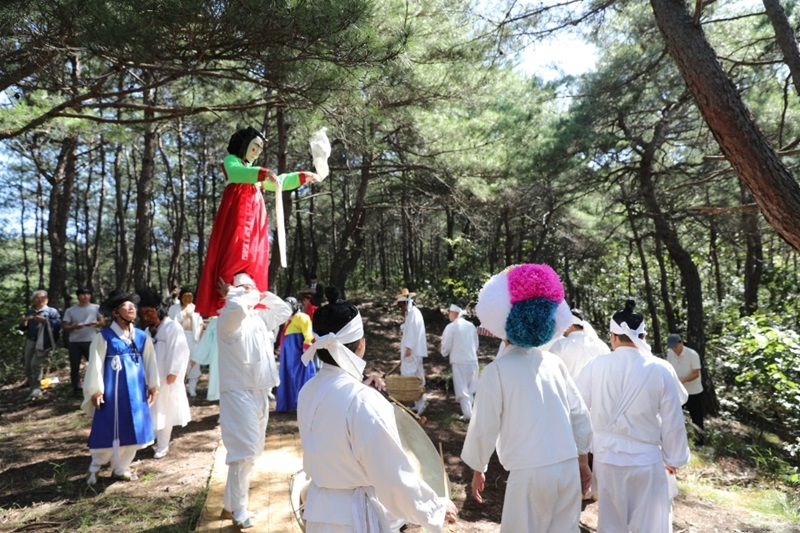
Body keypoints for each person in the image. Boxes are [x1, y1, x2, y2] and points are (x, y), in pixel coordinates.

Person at [297, 299, 458, 532]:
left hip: (318, 513)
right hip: (355, 519)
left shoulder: (308, 391)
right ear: (360, 345)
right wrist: (434, 507)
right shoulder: (361, 399)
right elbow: (394, 477)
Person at [461, 264, 593, 532]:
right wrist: (582, 461)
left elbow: (484, 426)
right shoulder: (554, 363)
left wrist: (478, 468)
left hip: (529, 473)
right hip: (566, 466)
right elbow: (579, 415)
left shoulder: (497, 371)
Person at [575, 300, 690, 533]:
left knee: (611, 522)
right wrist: (674, 459)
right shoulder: (660, 368)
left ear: (612, 337)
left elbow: (576, 410)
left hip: (606, 458)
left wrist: (580, 454)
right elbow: (673, 421)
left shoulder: (596, 365)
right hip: (646, 460)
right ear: (644, 336)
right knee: (649, 525)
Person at [195, 127, 318, 316]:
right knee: (234, 253)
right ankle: (225, 294)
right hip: (237, 217)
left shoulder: (256, 176)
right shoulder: (233, 162)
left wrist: (301, 176)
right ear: (244, 145)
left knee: (254, 256)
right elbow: (236, 173)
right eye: (255, 146)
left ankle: (249, 294)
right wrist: (260, 173)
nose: (258, 152)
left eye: (260, 149)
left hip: (255, 223)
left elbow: (278, 181)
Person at [216, 272, 291, 529]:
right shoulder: (227, 319)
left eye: (251, 287)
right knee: (244, 451)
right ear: (233, 292)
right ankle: (239, 509)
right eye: (242, 288)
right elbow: (235, 308)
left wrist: (261, 292)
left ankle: (229, 504)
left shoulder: (259, 319)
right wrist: (236, 293)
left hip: (261, 391)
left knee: (252, 452)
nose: (248, 291)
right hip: (237, 391)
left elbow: (283, 310)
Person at [82, 290, 159, 485]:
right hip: (113, 393)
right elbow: (96, 364)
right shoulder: (104, 337)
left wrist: (154, 385)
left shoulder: (141, 336)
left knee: (135, 431)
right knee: (108, 428)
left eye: (133, 305)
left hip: (136, 392)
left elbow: (150, 362)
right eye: (127, 305)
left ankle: (120, 468)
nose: (132, 308)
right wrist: (95, 390)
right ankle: (95, 468)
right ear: (116, 312)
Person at [139, 289, 191, 459]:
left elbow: (181, 350)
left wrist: (174, 372)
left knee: (166, 409)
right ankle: (151, 439)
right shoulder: (147, 331)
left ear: (159, 310)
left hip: (167, 376)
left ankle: (163, 445)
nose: (147, 316)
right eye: (144, 313)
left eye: (150, 312)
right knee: (153, 408)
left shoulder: (172, 326)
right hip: (152, 377)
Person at [19, 289, 62, 401]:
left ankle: (36, 389)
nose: (39, 300)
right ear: (33, 300)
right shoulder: (30, 312)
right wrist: (23, 322)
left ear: (47, 300)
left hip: (43, 341)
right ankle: (33, 388)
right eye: (37, 298)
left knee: (36, 364)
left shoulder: (52, 311)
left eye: (42, 298)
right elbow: (24, 328)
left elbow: (58, 325)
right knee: (28, 365)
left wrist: (45, 321)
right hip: (30, 341)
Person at [63, 287, 105, 397]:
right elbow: (65, 327)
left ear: (90, 295)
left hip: (91, 340)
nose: (85, 296)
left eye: (87, 294)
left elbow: (102, 322)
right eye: (82, 294)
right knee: (75, 366)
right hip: (75, 342)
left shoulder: (96, 308)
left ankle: (96, 387)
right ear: (78, 296)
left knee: (94, 365)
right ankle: (77, 389)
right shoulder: (70, 310)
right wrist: (74, 327)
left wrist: (96, 322)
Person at [440, 304, 479, 421]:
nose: (449, 314)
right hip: (472, 359)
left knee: (462, 388)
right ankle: (471, 412)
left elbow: (446, 345)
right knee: (470, 387)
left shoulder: (451, 327)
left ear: (455, 313)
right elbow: (475, 344)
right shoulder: (471, 326)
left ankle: (468, 415)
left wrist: (443, 351)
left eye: (450, 312)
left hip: (459, 361)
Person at [275, 296, 315, 412]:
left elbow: (308, 334)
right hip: (288, 354)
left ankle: (303, 404)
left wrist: (306, 348)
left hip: (297, 353)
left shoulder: (302, 317)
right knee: (288, 376)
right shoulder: (289, 319)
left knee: (299, 377)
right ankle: (290, 403)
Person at [548, 308, 609, 380]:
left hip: (569, 391)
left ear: (570, 325)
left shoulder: (561, 345)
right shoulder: (601, 345)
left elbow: (549, 371)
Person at [666, 333, 705, 444]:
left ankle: (699, 442)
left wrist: (681, 380)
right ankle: (676, 441)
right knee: (674, 416)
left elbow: (696, 373)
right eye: (672, 347)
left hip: (693, 392)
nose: (674, 349)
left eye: (675, 346)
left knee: (696, 418)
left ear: (681, 343)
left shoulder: (692, 354)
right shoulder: (670, 354)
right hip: (677, 392)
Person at [396, 288, 428, 415]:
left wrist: (409, 347)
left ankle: (421, 401)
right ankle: (419, 403)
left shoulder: (414, 314)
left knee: (409, 377)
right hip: (415, 351)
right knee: (417, 377)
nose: (400, 309)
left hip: (412, 352)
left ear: (406, 303)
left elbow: (413, 332)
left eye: (401, 305)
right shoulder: (412, 314)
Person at [168, 287, 204, 397]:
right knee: (178, 362)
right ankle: (178, 388)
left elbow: (201, 324)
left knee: (193, 362)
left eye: (190, 296)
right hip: (178, 338)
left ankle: (192, 389)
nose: (188, 299)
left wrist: (201, 339)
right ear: (180, 297)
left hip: (192, 338)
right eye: (185, 296)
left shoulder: (195, 308)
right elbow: (168, 323)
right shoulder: (174, 308)